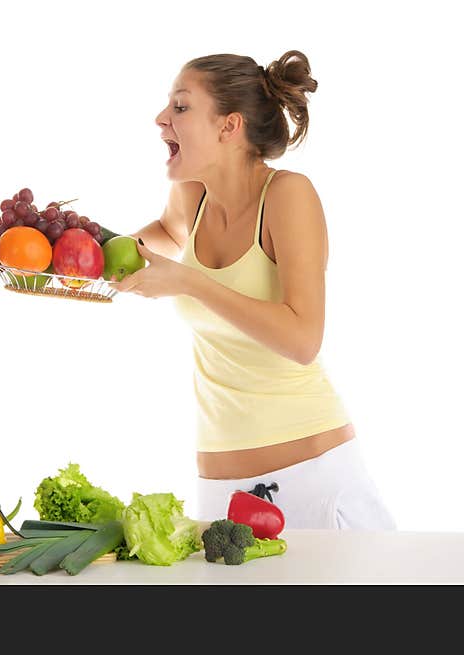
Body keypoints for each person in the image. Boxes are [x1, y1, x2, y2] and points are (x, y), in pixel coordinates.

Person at [113, 51, 395, 530]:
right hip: (219, 491)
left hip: (311, 480)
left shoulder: (287, 195)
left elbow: (303, 339)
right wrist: (74, 251)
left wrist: (189, 282)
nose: (161, 118)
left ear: (229, 126)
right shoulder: (194, 194)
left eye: (180, 108)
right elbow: (164, 231)